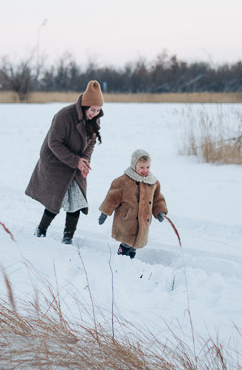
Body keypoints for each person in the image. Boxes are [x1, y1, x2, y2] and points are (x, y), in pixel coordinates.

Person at [25, 80, 104, 244]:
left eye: (98, 110)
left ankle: (68, 238)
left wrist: (85, 162)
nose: (95, 113)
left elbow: (91, 143)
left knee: (76, 201)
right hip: (55, 162)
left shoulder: (94, 120)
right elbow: (53, 143)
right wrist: (76, 161)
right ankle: (41, 230)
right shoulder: (64, 116)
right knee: (55, 199)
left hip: (76, 164)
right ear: (84, 106)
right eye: (92, 110)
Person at [97, 149, 168, 259]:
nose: (145, 170)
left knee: (135, 244)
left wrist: (160, 211)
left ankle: (131, 260)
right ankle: (121, 257)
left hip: (143, 219)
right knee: (127, 242)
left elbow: (157, 198)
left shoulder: (152, 182)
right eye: (141, 167)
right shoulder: (124, 181)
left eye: (147, 167)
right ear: (134, 165)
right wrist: (105, 212)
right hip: (127, 220)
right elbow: (112, 197)